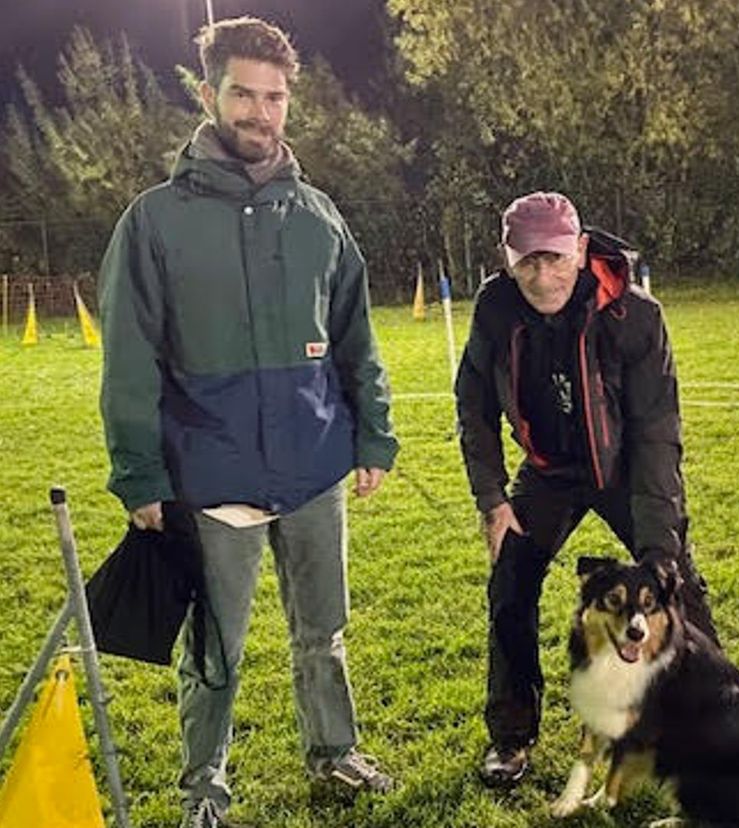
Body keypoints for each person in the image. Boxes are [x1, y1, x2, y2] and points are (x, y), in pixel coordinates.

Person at [98, 17, 398, 828]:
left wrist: (373, 432)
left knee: (322, 631)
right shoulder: (154, 222)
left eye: (274, 97)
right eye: (243, 93)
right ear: (208, 94)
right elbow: (127, 362)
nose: (260, 113)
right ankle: (204, 789)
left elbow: (355, 336)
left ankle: (335, 753)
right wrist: (139, 475)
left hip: (312, 469)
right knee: (213, 650)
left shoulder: (320, 217)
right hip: (210, 474)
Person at [455, 191, 719, 787]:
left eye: (553, 257)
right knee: (510, 584)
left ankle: (714, 722)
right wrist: (493, 499)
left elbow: (657, 434)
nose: (541, 274)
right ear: (506, 257)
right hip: (548, 471)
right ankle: (510, 736)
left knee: (680, 587)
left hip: (625, 468)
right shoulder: (495, 308)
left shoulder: (635, 316)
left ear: (579, 249)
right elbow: (472, 402)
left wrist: (658, 547)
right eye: (526, 260)